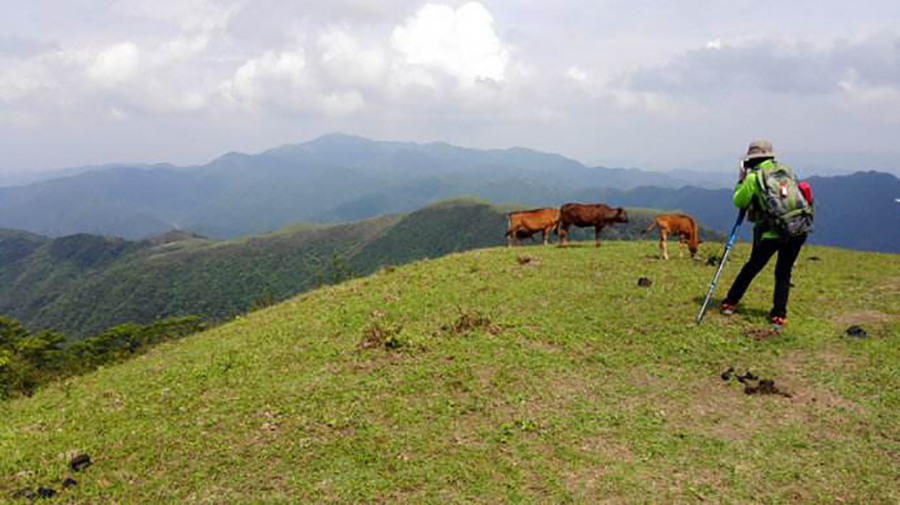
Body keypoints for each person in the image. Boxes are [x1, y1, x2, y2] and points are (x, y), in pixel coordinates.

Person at [720, 140, 808, 332]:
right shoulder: (787, 171)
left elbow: (739, 201)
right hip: (798, 228)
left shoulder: (755, 177)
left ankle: (730, 302)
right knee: (783, 272)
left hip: (772, 231)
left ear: (752, 160)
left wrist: (741, 179)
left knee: (752, 267)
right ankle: (779, 315)